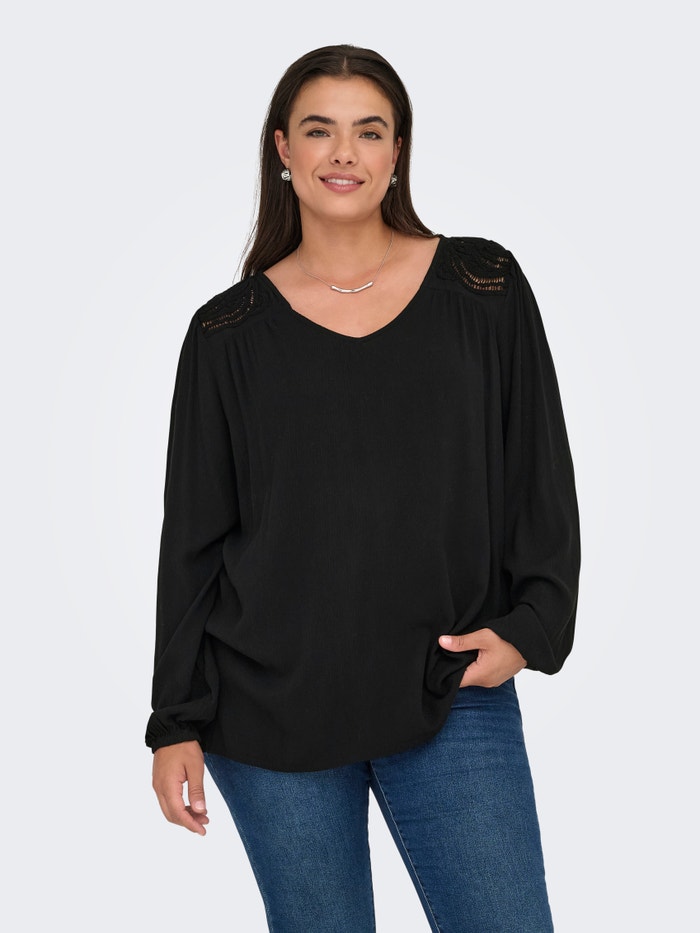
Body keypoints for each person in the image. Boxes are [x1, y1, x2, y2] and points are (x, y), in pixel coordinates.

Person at [146, 44, 580, 933]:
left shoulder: (483, 287)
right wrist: (174, 720)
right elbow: (193, 537)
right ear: (283, 149)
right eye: (320, 130)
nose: (344, 152)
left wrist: (532, 627)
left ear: (396, 151)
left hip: (451, 686)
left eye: (368, 131)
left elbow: (538, 471)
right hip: (270, 712)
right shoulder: (227, 335)